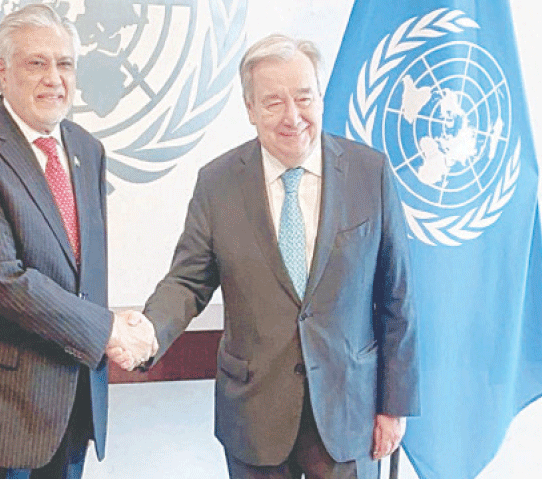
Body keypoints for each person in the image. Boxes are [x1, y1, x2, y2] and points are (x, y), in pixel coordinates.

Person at [141, 33, 419, 479]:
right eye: (273, 102)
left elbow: (396, 298)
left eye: (304, 98)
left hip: (349, 413)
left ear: (320, 96)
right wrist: (149, 329)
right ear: (250, 110)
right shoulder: (217, 185)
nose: (293, 117)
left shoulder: (371, 173)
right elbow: (187, 282)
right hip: (254, 416)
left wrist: (394, 405)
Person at [0, 4, 157, 478]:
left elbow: (80, 274)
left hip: (70, 406)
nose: (54, 78)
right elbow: (1, 282)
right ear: (2, 72)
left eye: (65, 63)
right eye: (37, 63)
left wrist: (118, 330)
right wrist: (107, 329)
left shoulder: (87, 150)